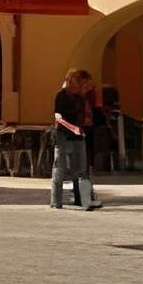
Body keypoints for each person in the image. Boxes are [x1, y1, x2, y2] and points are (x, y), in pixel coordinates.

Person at [50, 68, 101, 211]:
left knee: (81, 169)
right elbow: (58, 118)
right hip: (63, 136)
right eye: (81, 83)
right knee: (59, 169)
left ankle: (83, 200)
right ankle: (56, 201)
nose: (82, 86)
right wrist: (72, 128)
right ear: (73, 80)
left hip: (79, 135)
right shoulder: (61, 96)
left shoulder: (80, 98)